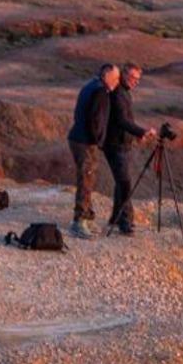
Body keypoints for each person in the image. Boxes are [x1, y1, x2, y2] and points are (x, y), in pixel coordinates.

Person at [67, 64, 119, 239]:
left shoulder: (90, 85)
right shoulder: (100, 92)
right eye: (115, 78)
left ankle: (87, 216)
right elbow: (96, 121)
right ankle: (79, 221)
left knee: (87, 177)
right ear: (105, 75)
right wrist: (100, 142)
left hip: (78, 138)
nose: (117, 82)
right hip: (85, 142)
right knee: (86, 179)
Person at [104, 64, 155, 235]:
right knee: (125, 182)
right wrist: (142, 132)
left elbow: (127, 120)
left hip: (122, 143)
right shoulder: (117, 93)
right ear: (124, 74)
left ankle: (116, 218)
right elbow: (121, 120)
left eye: (138, 79)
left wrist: (136, 135)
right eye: (133, 78)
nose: (135, 82)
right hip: (114, 144)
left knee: (122, 181)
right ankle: (125, 221)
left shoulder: (124, 93)